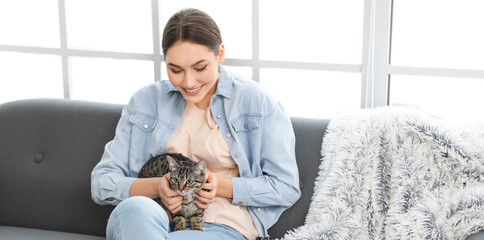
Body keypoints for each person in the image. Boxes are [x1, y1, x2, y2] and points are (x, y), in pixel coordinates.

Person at [91, 8, 300, 240]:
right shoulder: (145, 101)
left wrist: (220, 185)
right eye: (175, 70)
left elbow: (285, 187)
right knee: (135, 209)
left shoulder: (257, 102)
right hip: (149, 219)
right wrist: (157, 187)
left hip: (220, 224)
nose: (189, 82)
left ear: (220, 54)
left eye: (200, 68)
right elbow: (102, 183)